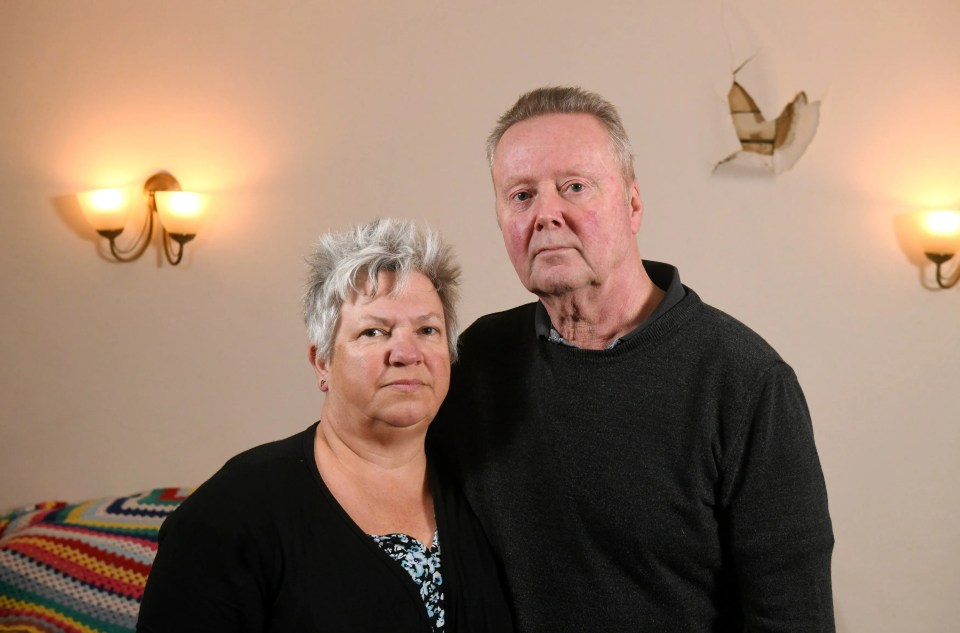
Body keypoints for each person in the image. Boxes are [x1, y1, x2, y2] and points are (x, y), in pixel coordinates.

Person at [428, 86, 835, 632]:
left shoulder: (745, 383)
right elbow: (383, 477)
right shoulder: (477, 360)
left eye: (574, 187)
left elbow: (791, 617)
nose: (546, 214)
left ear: (633, 203)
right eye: (521, 195)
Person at [138, 219, 514, 632]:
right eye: (373, 332)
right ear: (322, 362)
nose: (407, 353)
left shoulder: (482, 491)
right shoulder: (229, 514)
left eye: (428, 330)